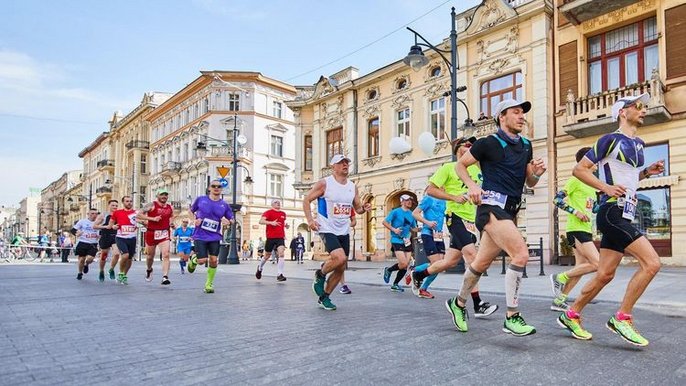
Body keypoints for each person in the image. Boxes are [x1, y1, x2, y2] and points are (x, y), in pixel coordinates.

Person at [558, 93, 663, 346]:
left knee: (604, 274)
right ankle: (622, 318)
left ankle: (571, 314)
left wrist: (646, 172)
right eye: (637, 106)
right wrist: (605, 188)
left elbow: (628, 181)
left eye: (643, 106)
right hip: (611, 212)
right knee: (652, 263)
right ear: (622, 112)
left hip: (624, 211)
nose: (643, 109)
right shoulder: (609, 140)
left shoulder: (638, 144)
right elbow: (579, 169)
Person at [447, 99, 545, 336]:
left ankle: (458, 303)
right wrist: (471, 185)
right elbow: (460, 166)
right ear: (502, 116)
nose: (522, 117)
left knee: (480, 264)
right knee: (520, 254)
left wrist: (536, 175)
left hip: (510, 210)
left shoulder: (525, 145)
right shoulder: (487, 143)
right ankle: (512, 316)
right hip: (490, 207)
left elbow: (527, 181)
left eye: (523, 113)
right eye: (516, 112)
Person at [411, 138, 498, 317]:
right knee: (473, 257)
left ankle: (419, 275)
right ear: (458, 148)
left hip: (471, 220)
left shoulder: (477, 169)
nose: (471, 148)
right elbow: (431, 190)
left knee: (449, 262)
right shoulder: (448, 168)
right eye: (467, 145)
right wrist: (453, 197)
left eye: (473, 146)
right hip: (455, 216)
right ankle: (477, 304)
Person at [304, 154, 371, 310]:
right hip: (326, 227)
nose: (345, 165)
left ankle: (324, 297)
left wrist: (364, 209)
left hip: (344, 229)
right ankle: (320, 274)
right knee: (339, 258)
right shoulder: (324, 184)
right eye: (340, 163)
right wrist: (310, 221)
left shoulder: (352, 186)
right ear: (332, 167)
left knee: (341, 268)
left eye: (346, 162)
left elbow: (357, 208)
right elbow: (306, 200)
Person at [550, 147, 599, 311]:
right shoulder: (576, 179)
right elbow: (557, 200)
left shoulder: (591, 185)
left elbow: (594, 208)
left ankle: (559, 300)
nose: (597, 160)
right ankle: (559, 277)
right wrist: (575, 212)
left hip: (586, 229)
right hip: (576, 228)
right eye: (594, 157)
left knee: (581, 267)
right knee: (597, 264)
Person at [187, 179, 234, 293]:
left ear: (221, 189)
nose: (216, 188)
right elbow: (190, 211)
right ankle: (193, 261)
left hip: (215, 236)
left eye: (218, 186)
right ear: (209, 188)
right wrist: (194, 220)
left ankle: (208, 284)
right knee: (202, 260)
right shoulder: (201, 200)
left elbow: (231, 219)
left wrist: (228, 222)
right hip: (200, 235)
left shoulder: (224, 204)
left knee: (213, 261)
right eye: (213, 186)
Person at [382, 195, 416, 292]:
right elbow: (384, 222)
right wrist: (394, 229)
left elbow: (413, 228)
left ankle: (395, 284)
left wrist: (426, 227)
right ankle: (389, 270)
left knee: (405, 265)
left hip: (407, 241)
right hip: (397, 239)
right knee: (403, 263)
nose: (409, 202)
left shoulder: (411, 214)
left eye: (410, 200)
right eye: (407, 200)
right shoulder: (395, 212)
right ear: (402, 202)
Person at [140, 189, 174, 285]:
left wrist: (171, 223)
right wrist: (152, 219)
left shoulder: (170, 207)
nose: (164, 196)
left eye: (166, 195)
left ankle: (165, 277)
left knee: (166, 254)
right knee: (150, 256)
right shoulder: (151, 205)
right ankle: (149, 269)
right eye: (162, 194)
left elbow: (171, 216)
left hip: (164, 233)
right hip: (151, 233)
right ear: (157, 195)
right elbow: (139, 215)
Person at [256, 200, 289, 282]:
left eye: (279, 202)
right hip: (270, 237)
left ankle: (279, 274)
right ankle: (260, 268)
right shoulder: (268, 212)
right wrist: (271, 222)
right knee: (267, 255)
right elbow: (261, 221)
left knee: (281, 254)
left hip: (280, 237)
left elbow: (281, 223)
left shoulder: (283, 214)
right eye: (276, 202)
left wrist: (286, 226)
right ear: (272, 204)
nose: (278, 203)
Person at [109, 196, 139, 285]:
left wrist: (142, 224)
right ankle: (121, 272)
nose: (129, 203)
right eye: (127, 201)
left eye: (130, 201)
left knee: (130, 259)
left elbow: (142, 221)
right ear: (123, 203)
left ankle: (124, 275)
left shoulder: (136, 213)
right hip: (121, 237)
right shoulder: (117, 212)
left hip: (132, 238)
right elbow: (111, 223)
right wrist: (113, 226)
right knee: (125, 255)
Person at [94, 200, 120, 281]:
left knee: (116, 254)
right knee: (103, 256)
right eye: (113, 205)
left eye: (116, 205)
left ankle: (111, 269)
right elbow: (94, 226)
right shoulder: (103, 215)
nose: (115, 207)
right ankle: (101, 271)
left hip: (115, 237)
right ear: (108, 206)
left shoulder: (119, 215)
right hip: (105, 236)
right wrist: (107, 226)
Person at [73, 208, 100, 280]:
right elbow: (73, 230)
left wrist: (100, 236)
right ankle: (79, 273)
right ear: (88, 214)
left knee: (90, 258)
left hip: (93, 243)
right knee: (81, 259)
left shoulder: (99, 223)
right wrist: (77, 233)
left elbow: (102, 232)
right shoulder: (82, 221)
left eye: (96, 214)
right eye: (92, 213)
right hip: (83, 242)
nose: (94, 215)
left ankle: (86, 264)